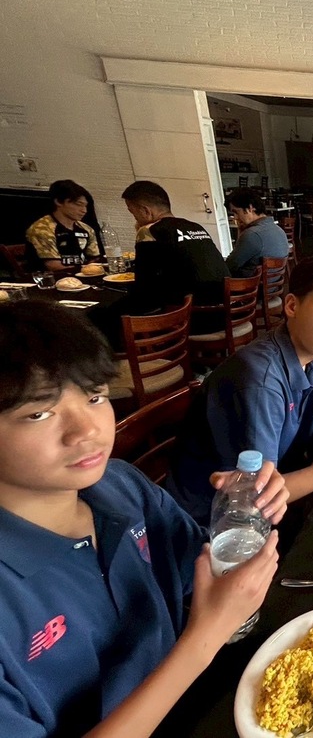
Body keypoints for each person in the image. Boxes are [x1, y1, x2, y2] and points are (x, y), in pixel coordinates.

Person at [0, 299, 288, 736]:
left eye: (94, 397)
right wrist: (206, 636)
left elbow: (201, 568)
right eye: (38, 413)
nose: (87, 430)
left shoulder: (121, 486)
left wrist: (245, 506)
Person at [166, 255, 313, 525]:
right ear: (292, 306)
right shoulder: (260, 379)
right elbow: (260, 496)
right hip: (219, 519)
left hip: (288, 476)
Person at [121, 181, 230, 325]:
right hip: (226, 311)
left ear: (145, 210)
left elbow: (144, 283)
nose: (135, 218)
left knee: (106, 314)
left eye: (133, 213)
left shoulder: (149, 231)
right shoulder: (195, 227)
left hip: (193, 318)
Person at [24, 180, 102, 272]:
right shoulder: (42, 229)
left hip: (81, 275)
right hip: (51, 277)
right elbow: (53, 266)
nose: (84, 210)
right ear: (58, 202)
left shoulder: (86, 229)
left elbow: (94, 259)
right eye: (78, 204)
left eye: (85, 206)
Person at [223, 188, 289, 277]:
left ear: (250, 208)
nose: (235, 217)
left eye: (236, 212)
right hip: (274, 283)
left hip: (250, 285)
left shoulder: (252, 234)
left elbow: (230, 266)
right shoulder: (278, 229)